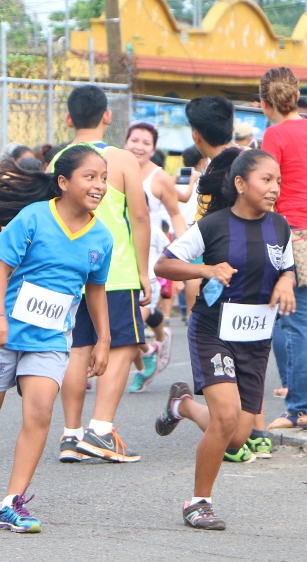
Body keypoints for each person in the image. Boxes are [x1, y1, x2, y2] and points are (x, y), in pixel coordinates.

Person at [0, 146, 113, 533]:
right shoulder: (34, 218)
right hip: (3, 331)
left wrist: (104, 339)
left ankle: (11, 502)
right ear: (63, 183)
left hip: (51, 339)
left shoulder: (101, 238)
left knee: (41, 409)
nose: (99, 185)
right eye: (90, 177)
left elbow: (96, 290)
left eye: (104, 178)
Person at [153, 148, 296, 530]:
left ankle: (182, 406)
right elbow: (164, 264)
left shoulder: (280, 227)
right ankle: (198, 502)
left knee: (236, 437)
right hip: (213, 331)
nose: (274, 189)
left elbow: (288, 269)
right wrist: (206, 268)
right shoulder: (213, 226)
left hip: (255, 338)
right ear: (240, 183)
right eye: (266, 180)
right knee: (227, 416)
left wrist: (285, 283)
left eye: (278, 181)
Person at [55, 85, 151, 464]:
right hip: (116, 270)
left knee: (77, 349)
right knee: (123, 345)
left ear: (68, 119)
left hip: (68, 272)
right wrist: (144, 271)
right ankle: (100, 430)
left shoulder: (57, 160)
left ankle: (70, 434)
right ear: (107, 117)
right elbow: (139, 216)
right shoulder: (123, 160)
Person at [259, 67, 307, 429]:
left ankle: (300, 409)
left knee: (296, 322)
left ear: (265, 102)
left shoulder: (273, 135)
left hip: (293, 231)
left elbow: (268, 190)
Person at [124, 121, 184, 392]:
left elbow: (175, 214)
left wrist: (181, 256)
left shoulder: (159, 178)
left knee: (131, 320)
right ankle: (150, 350)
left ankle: (147, 354)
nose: (139, 146)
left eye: (146, 143)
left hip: (150, 256)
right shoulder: (115, 168)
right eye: (134, 140)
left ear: (154, 148)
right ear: (126, 142)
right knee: (127, 321)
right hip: (121, 254)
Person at [182, 97, 239, 315]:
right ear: (232, 128)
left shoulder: (210, 178)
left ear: (196, 135)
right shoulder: (255, 163)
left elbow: (201, 230)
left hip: (221, 276)